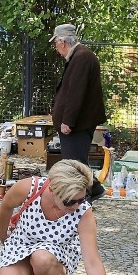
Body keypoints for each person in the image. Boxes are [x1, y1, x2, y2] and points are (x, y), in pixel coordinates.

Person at [0, 159, 119, 275]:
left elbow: (92, 262)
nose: (76, 206)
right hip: (23, 244)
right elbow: (5, 208)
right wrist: (4, 239)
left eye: (81, 198)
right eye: (70, 202)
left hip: (57, 252)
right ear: (52, 190)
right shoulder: (29, 188)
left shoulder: (84, 212)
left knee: (42, 257)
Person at [50, 23, 107, 201]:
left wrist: (68, 121)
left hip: (78, 122)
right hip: (79, 121)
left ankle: (83, 198)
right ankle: (94, 189)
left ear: (62, 41)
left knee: (74, 163)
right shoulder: (80, 56)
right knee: (77, 160)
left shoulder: (81, 57)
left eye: (55, 43)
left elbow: (76, 92)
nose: (55, 48)